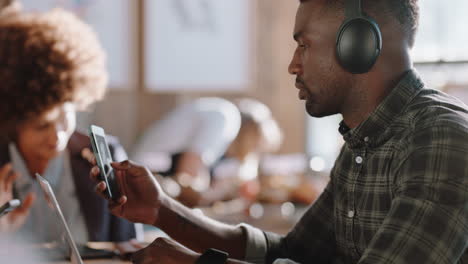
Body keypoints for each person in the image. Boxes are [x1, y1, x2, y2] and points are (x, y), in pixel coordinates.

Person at [90, 0, 467, 263]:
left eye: (304, 45)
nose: (292, 65)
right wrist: (163, 211)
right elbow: (290, 253)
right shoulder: (361, 142)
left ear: (359, 44)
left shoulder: (441, 139)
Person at [0, 4, 140, 252]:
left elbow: (131, 250)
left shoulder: (102, 157)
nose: (58, 135)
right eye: (42, 125)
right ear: (14, 123)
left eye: (65, 117)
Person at [132, 97, 282, 206]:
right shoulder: (225, 117)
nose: (253, 155)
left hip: (151, 181)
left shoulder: (222, 118)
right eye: (256, 148)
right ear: (251, 134)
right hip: (143, 184)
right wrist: (222, 191)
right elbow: (189, 180)